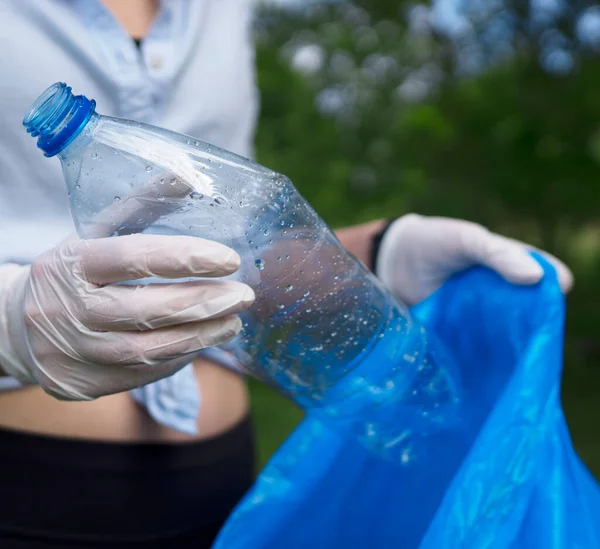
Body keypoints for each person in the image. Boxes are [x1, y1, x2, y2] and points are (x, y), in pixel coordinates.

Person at [0, 1, 573, 548]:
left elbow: (232, 243)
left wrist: (375, 253)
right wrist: (8, 324)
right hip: (31, 496)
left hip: (225, 481)